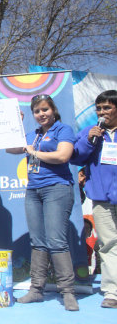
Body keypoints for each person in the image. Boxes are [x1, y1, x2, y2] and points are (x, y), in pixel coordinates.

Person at [7, 94, 79, 311]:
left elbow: (63, 155)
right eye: (37, 111)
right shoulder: (33, 134)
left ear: (53, 110)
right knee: (38, 242)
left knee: (57, 241)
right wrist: (16, 124)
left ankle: (68, 292)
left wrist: (33, 151)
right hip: (33, 191)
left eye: (45, 110)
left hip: (57, 189)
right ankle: (36, 290)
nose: (41, 114)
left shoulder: (63, 130)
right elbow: (10, 148)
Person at [72, 89, 117, 309]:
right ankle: (112, 292)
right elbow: (76, 156)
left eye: (107, 107)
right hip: (102, 199)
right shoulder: (89, 132)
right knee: (108, 245)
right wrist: (90, 140)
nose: (102, 112)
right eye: (98, 108)